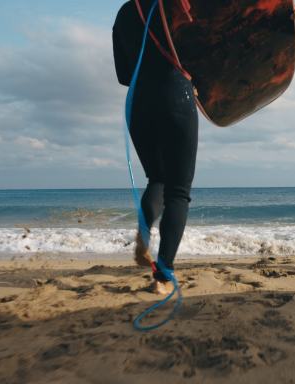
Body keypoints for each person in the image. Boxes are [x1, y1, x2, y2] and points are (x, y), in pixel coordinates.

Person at [113, 1, 198, 294]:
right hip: (175, 96)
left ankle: (144, 230)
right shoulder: (181, 5)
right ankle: (162, 277)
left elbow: (124, 74)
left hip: (137, 104)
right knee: (178, 190)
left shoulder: (124, 12)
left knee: (158, 178)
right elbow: (213, 50)